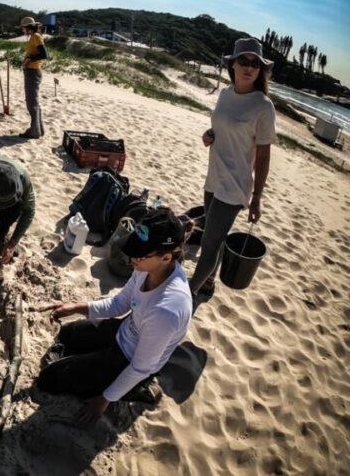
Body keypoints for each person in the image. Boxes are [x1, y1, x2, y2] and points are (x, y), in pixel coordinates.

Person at [38, 208, 192, 424]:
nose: (132, 259)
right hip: (125, 330)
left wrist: (104, 399)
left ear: (166, 257)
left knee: (49, 380)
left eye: (139, 254)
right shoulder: (146, 267)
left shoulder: (167, 310)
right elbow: (120, 303)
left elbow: (140, 366)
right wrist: (75, 307)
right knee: (67, 333)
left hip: (130, 359)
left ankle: (137, 389)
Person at [189, 37, 275, 300]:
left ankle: (186, 295)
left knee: (210, 242)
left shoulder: (263, 106)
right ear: (232, 64)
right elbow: (219, 127)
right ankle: (207, 283)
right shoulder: (226, 94)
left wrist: (257, 198)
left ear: (260, 69)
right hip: (214, 177)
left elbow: (263, 156)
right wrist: (209, 135)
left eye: (255, 63)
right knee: (212, 236)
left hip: (235, 186)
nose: (249, 67)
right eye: (244, 61)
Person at [19, 16, 48, 139]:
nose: (22, 30)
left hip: (33, 72)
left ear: (27, 27)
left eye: (23, 28)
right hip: (32, 71)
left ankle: (34, 131)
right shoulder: (34, 36)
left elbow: (44, 54)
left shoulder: (36, 36)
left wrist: (29, 59)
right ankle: (39, 129)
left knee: (32, 103)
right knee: (34, 102)